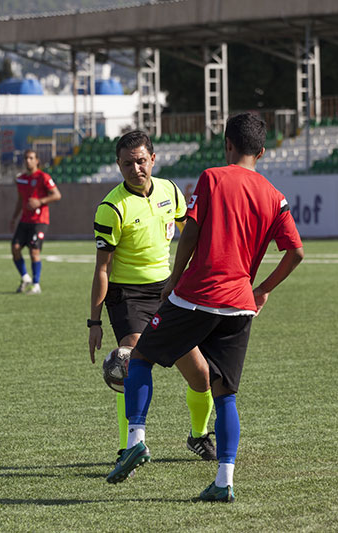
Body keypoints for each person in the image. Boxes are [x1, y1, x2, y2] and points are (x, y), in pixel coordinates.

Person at [106, 113, 305, 502]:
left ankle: (137, 440)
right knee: (225, 393)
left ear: (227, 143)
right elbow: (296, 253)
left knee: (141, 355)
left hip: (197, 294)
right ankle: (224, 481)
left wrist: (174, 281)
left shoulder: (213, 177)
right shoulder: (274, 195)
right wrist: (262, 290)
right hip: (240, 303)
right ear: (261, 151)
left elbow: (192, 231)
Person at [89, 130, 216, 470]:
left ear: (153, 160)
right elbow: (102, 269)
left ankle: (199, 435)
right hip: (127, 296)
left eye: (141, 161)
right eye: (127, 163)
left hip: (167, 293)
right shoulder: (111, 207)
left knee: (201, 375)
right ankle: (128, 446)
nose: (135, 168)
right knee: (130, 362)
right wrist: (95, 322)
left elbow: (187, 231)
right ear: (118, 165)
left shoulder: (171, 191)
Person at [10, 150, 61, 294]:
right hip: (24, 220)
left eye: (31, 158)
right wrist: (14, 218)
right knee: (15, 248)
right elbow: (20, 200)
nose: (28, 161)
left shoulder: (43, 177)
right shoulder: (21, 179)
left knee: (34, 251)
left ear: (37, 160)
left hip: (39, 221)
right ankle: (25, 277)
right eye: (26, 158)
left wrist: (40, 201)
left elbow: (57, 195)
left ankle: (36, 284)